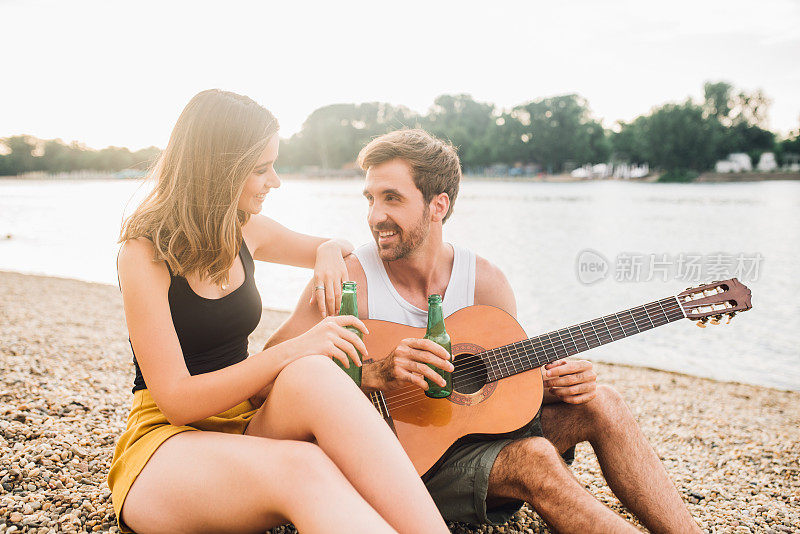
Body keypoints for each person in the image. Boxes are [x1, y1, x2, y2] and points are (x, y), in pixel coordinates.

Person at [264, 129, 703, 533]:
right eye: (370, 198)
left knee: (602, 400)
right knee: (534, 460)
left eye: (392, 198)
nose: (375, 215)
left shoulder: (484, 281)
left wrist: (557, 385)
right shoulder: (349, 278)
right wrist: (375, 370)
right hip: (399, 468)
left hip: (474, 441)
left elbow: (503, 390)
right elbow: (272, 373)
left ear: (439, 206)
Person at [108, 92, 448, 534]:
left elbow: (337, 247)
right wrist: (297, 350)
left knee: (316, 375)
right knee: (305, 465)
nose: (276, 181)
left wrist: (326, 251)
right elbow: (176, 400)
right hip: (167, 445)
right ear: (218, 169)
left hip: (245, 425)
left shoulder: (246, 230)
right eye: (261, 168)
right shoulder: (143, 252)